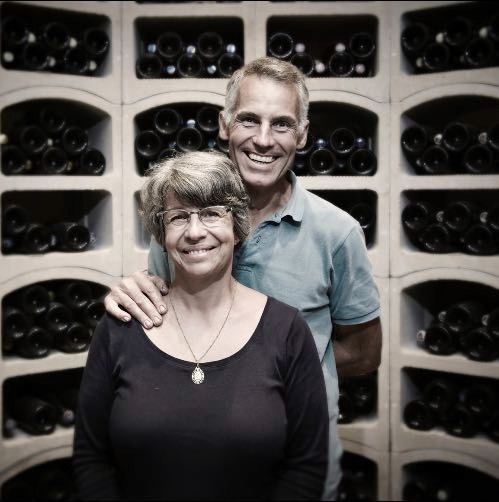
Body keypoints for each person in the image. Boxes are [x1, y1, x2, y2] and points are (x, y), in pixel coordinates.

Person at [103, 57, 382, 499]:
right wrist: (131, 293)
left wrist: (276, 376)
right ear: (224, 125)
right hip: (201, 458)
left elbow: (365, 353)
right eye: (249, 120)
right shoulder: (186, 228)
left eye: (282, 124)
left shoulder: (337, 233)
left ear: (302, 135)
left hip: (300, 461)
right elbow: (163, 317)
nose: (264, 140)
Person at [73, 151, 329, 500]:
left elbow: (306, 467)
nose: (195, 232)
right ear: (162, 234)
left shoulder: (287, 331)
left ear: (236, 226)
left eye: (211, 213)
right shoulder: (121, 326)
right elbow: (91, 458)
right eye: (178, 217)